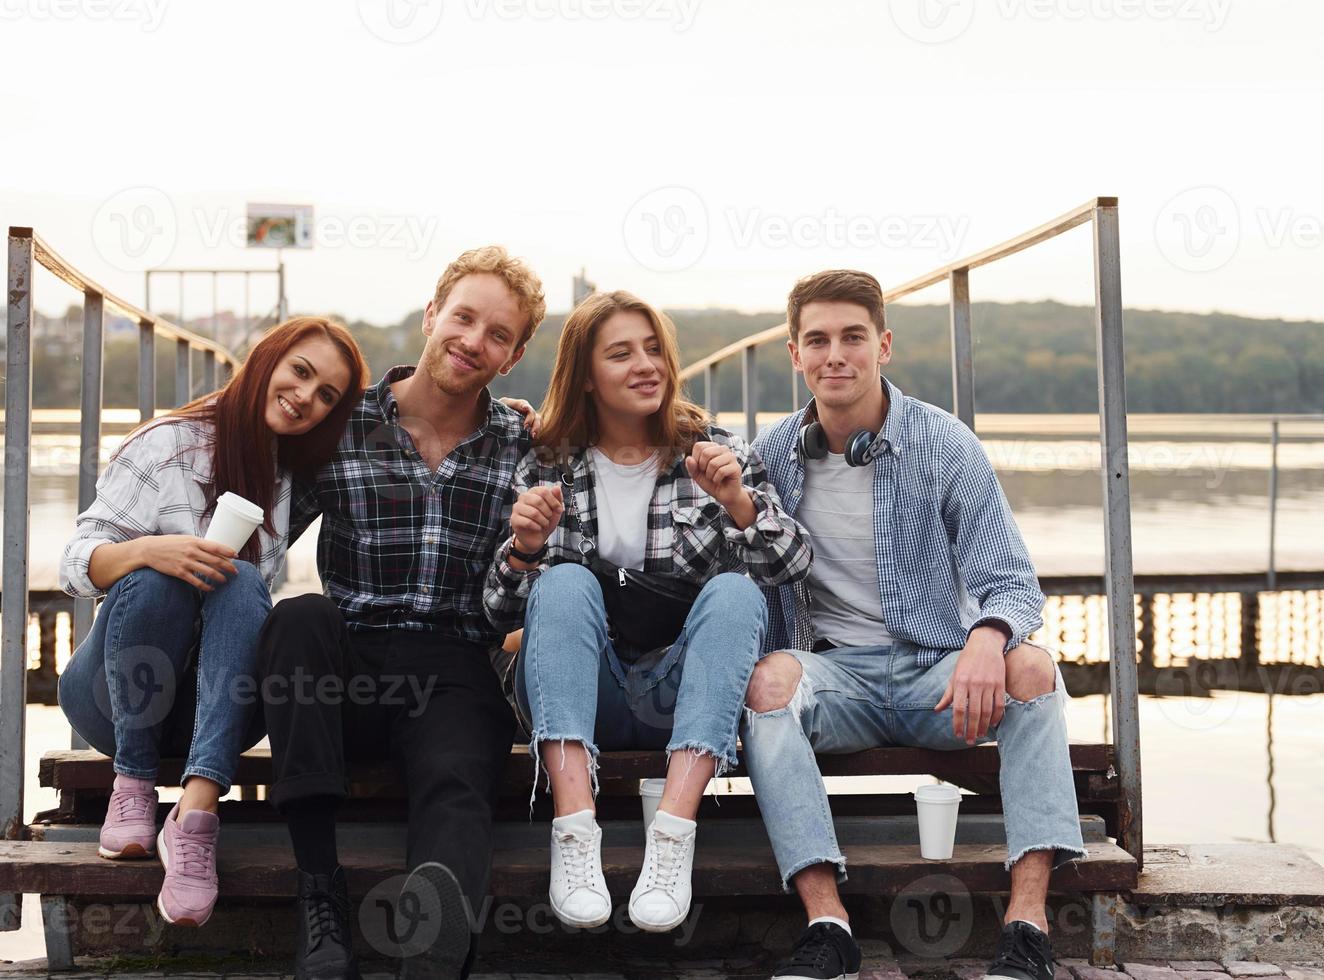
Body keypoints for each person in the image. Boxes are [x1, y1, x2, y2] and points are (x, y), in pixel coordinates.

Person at [741, 270, 1085, 980]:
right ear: (794, 354)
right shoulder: (770, 458)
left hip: (939, 677)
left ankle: (1027, 927)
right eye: (818, 340)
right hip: (837, 680)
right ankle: (826, 924)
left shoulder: (945, 444)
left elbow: (1012, 582)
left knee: (1032, 668)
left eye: (853, 337)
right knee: (768, 683)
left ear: (884, 346)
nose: (836, 355)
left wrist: (987, 638)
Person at [255, 245, 546, 980]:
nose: (474, 341)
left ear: (512, 358)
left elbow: (507, 602)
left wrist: (522, 554)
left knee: (455, 774)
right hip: (347, 661)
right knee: (296, 618)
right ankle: (320, 899)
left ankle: (433, 951)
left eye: (498, 335)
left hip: (454, 667)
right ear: (432, 315)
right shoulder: (340, 426)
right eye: (464, 318)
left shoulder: (524, 446)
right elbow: (256, 542)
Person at [483, 290, 811, 935]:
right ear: (584, 376)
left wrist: (740, 503)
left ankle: (674, 836)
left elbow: (791, 565)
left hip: (680, 695)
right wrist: (523, 551)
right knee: (565, 583)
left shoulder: (712, 448)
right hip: (585, 694)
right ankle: (575, 833)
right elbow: (499, 612)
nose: (646, 365)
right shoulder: (545, 460)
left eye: (655, 349)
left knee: (739, 592)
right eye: (621, 354)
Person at [58, 316, 369, 929]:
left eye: (326, 394)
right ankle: (133, 784)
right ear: (266, 360)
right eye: (300, 372)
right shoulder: (166, 443)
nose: (306, 396)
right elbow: (74, 564)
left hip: (215, 712)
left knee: (245, 581)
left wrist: (496, 407)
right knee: (155, 580)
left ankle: (195, 816)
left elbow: (402, 419)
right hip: (114, 703)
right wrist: (150, 550)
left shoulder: (291, 472)